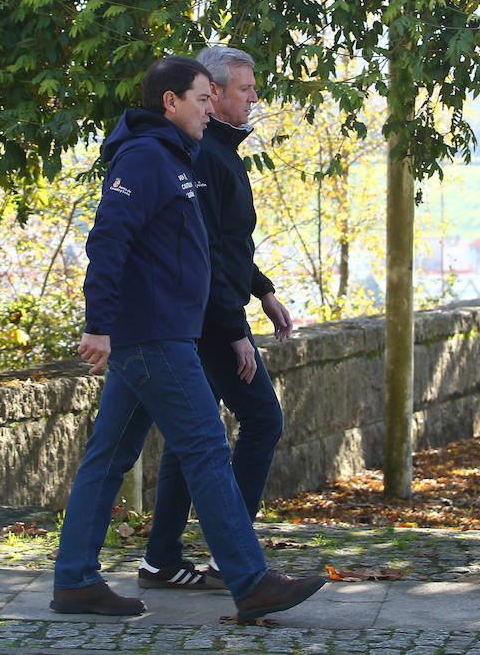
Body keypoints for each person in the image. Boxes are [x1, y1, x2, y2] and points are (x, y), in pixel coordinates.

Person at [50, 56, 325, 621]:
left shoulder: (175, 157)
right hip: (153, 337)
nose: (210, 108)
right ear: (171, 102)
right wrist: (97, 324)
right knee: (203, 449)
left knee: (109, 458)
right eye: (202, 99)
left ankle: (75, 581)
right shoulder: (147, 157)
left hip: (157, 334)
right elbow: (107, 242)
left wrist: (256, 291)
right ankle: (251, 582)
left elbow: (207, 249)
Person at [138, 45, 292, 591]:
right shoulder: (204, 155)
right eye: (245, 89)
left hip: (208, 315)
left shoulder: (220, 153)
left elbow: (230, 243)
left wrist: (263, 289)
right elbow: (203, 252)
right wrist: (233, 330)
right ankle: (235, 556)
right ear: (216, 93)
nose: (255, 98)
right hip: (203, 321)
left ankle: (161, 559)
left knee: (191, 435)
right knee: (262, 420)